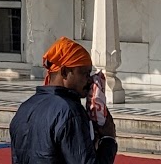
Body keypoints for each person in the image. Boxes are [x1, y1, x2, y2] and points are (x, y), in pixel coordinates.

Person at [9, 36, 118, 164]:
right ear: (65, 72)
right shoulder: (70, 112)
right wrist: (108, 138)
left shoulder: (25, 107)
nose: (89, 80)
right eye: (85, 73)